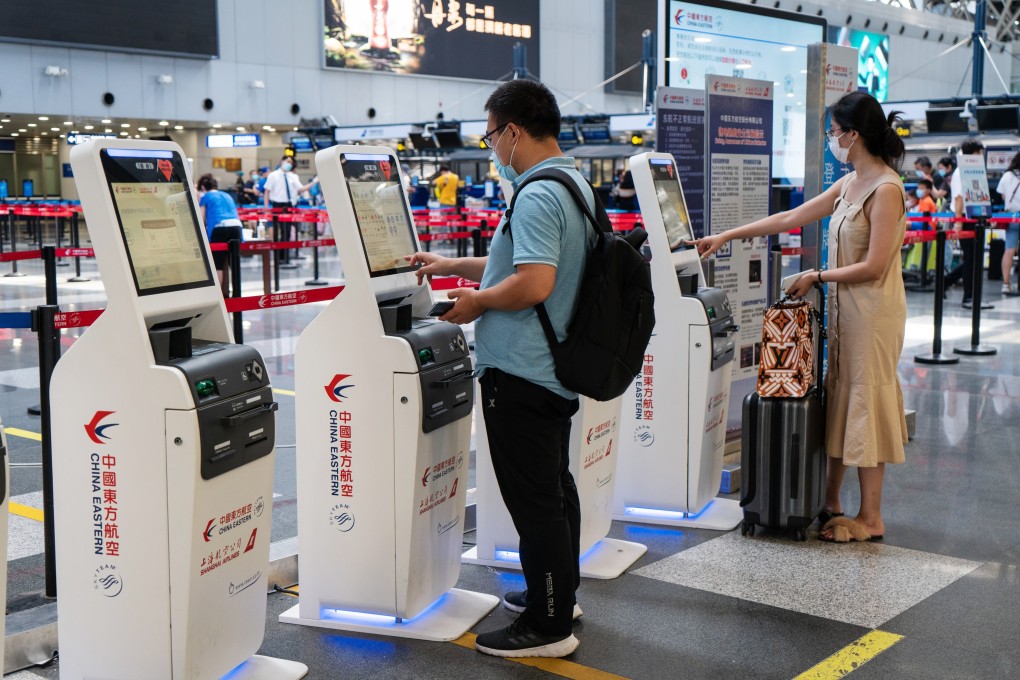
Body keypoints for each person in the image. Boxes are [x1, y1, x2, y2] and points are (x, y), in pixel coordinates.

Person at [408, 79, 596, 658]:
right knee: (555, 489)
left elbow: (534, 281)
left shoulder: (537, 193)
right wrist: (454, 263)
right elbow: (522, 262)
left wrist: (478, 303)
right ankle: (558, 595)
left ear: (513, 131)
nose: (491, 147)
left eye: (491, 136)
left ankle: (546, 627)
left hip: (523, 371)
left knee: (534, 500)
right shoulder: (573, 181)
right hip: (555, 367)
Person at [694, 91, 909, 544]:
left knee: (865, 401)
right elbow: (793, 215)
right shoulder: (851, 182)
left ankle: (871, 518)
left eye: (834, 133)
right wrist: (727, 235)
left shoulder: (886, 188)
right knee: (840, 399)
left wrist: (815, 274)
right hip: (848, 310)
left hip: (873, 314)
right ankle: (830, 500)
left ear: (853, 135)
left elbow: (874, 264)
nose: (832, 140)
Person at [945, 139, 984, 306]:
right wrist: (959, 221)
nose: (981, 155)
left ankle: (946, 281)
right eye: (978, 152)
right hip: (964, 218)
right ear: (972, 153)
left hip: (974, 216)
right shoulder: (961, 171)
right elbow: (959, 197)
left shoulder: (973, 169)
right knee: (971, 258)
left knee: (973, 258)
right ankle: (968, 296)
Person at [196, 174, 243, 293]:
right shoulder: (226, 195)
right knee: (234, 263)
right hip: (236, 227)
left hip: (220, 228)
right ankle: (237, 293)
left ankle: (220, 295)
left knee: (218, 264)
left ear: (202, 187)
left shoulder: (206, 197)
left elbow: (201, 219)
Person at [995, 151, 1020, 295]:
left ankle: (1006, 283)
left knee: (1009, 249)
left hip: (1011, 216)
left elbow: (1003, 195)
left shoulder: (1007, 176)